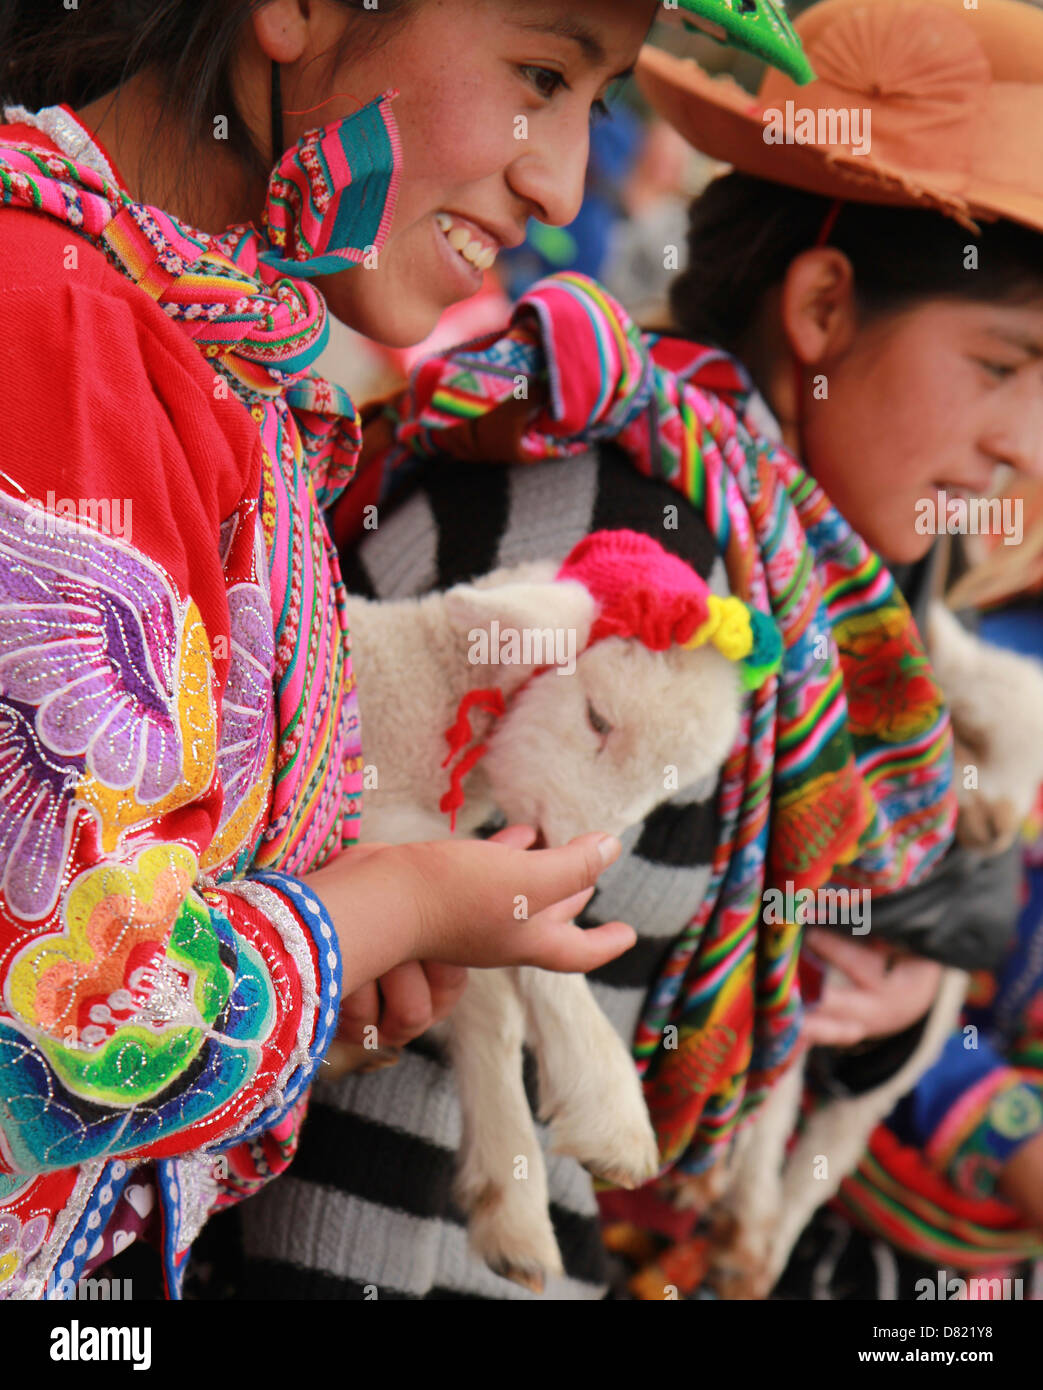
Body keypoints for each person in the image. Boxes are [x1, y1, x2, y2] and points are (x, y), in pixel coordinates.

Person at [221, 0, 1043, 1302]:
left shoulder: (801, 607)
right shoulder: (612, 533)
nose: (1028, 448)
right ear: (825, 305)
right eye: (1005, 365)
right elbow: (360, 974)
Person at [0, 0, 819, 1301]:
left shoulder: (225, 366)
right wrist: (387, 911)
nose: (558, 182)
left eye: (592, 106)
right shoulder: (60, 339)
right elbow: (56, 1039)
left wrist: (340, 944)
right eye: (539, 72)